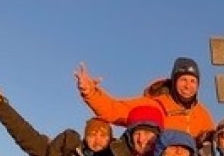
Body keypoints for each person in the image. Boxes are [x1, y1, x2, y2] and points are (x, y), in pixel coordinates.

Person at [75, 57, 215, 137]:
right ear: (174, 81)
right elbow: (114, 110)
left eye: (193, 81)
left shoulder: (201, 113)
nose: (188, 86)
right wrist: (91, 93)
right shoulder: (153, 105)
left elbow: (215, 141)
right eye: (183, 80)